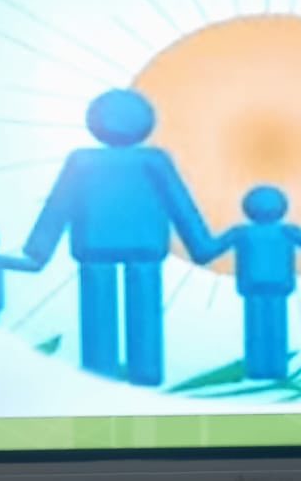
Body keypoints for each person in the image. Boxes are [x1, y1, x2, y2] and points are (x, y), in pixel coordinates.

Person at [23, 89, 212, 385]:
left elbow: (58, 204)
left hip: (95, 244)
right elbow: (179, 203)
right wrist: (199, 244)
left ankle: (100, 370)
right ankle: (146, 371)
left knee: (97, 307)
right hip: (145, 246)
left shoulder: (82, 161)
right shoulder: (154, 160)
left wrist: (39, 248)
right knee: (145, 307)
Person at [193, 185, 301, 379]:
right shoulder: (288, 231)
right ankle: (276, 368)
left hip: (253, 285)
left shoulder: (241, 232)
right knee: (276, 326)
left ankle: (258, 369)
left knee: (255, 327)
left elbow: (212, 249)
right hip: (278, 285)